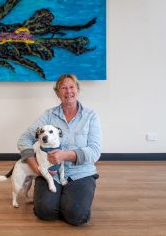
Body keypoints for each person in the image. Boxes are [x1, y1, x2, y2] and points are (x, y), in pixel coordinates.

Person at [17, 74, 101, 226]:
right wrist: (36, 168)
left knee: (76, 216)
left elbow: (94, 151)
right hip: (51, 173)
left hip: (80, 173)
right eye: (63, 88)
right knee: (45, 212)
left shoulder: (91, 116)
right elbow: (24, 139)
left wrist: (65, 156)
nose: (68, 91)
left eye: (71, 87)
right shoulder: (49, 115)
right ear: (57, 93)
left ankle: (69, 201)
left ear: (78, 90)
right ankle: (61, 200)